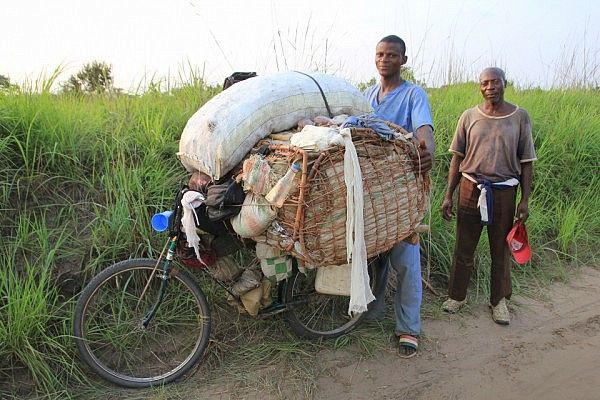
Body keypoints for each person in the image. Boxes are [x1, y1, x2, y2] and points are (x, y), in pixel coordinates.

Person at [440, 67, 536, 325]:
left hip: (504, 191)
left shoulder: (519, 117)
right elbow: (457, 158)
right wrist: (449, 195)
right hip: (470, 188)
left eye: (495, 82)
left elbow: (527, 163)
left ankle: (498, 301)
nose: (489, 87)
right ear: (479, 86)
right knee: (464, 245)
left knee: (500, 249)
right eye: (484, 83)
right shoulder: (469, 116)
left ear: (505, 83)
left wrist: (524, 200)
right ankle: (456, 296)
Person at [364, 35, 435, 358]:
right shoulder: (368, 95)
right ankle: (372, 312)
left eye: (392, 55)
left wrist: (427, 153)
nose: (385, 59)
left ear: (403, 60)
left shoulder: (412, 95)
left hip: (402, 193)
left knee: (406, 261)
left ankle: (408, 327)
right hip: (372, 192)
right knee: (373, 256)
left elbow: (424, 131)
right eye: (380, 54)